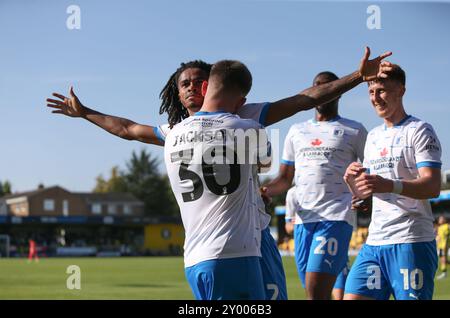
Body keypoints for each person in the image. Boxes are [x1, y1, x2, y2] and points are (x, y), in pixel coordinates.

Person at [46, 48, 391, 299]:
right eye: (185, 83)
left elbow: (304, 98)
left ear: (212, 85)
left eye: (200, 80)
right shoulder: (229, 123)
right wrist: (87, 112)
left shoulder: (209, 124)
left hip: (247, 243)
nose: (193, 87)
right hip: (231, 248)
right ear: (178, 94)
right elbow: (125, 128)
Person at [164, 59, 270, 299]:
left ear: (204, 90)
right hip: (234, 254)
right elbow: (263, 164)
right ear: (242, 102)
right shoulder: (250, 128)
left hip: (194, 259)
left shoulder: (172, 134)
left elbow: (127, 129)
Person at [262, 71, 367, 300]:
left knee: (316, 291)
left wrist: (363, 193)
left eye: (327, 87)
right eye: (316, 86)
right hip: (303, 220)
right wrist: (263, 191)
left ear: (337, 92)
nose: (321, 91)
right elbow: (284, 179)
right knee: (314, 292)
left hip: (336, 216)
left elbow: (370, 171)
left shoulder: (354, 130)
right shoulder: (296, 131)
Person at [343, 64, 442, 300]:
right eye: (370, 92)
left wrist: (391, 185)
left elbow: (432, 186)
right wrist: (354, 186)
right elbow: (367, 198)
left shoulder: (420, 130)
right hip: (375, 242)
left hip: (411, 242)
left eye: (382, 91)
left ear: (401, 91)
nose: (375, 98)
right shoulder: (374, 136)